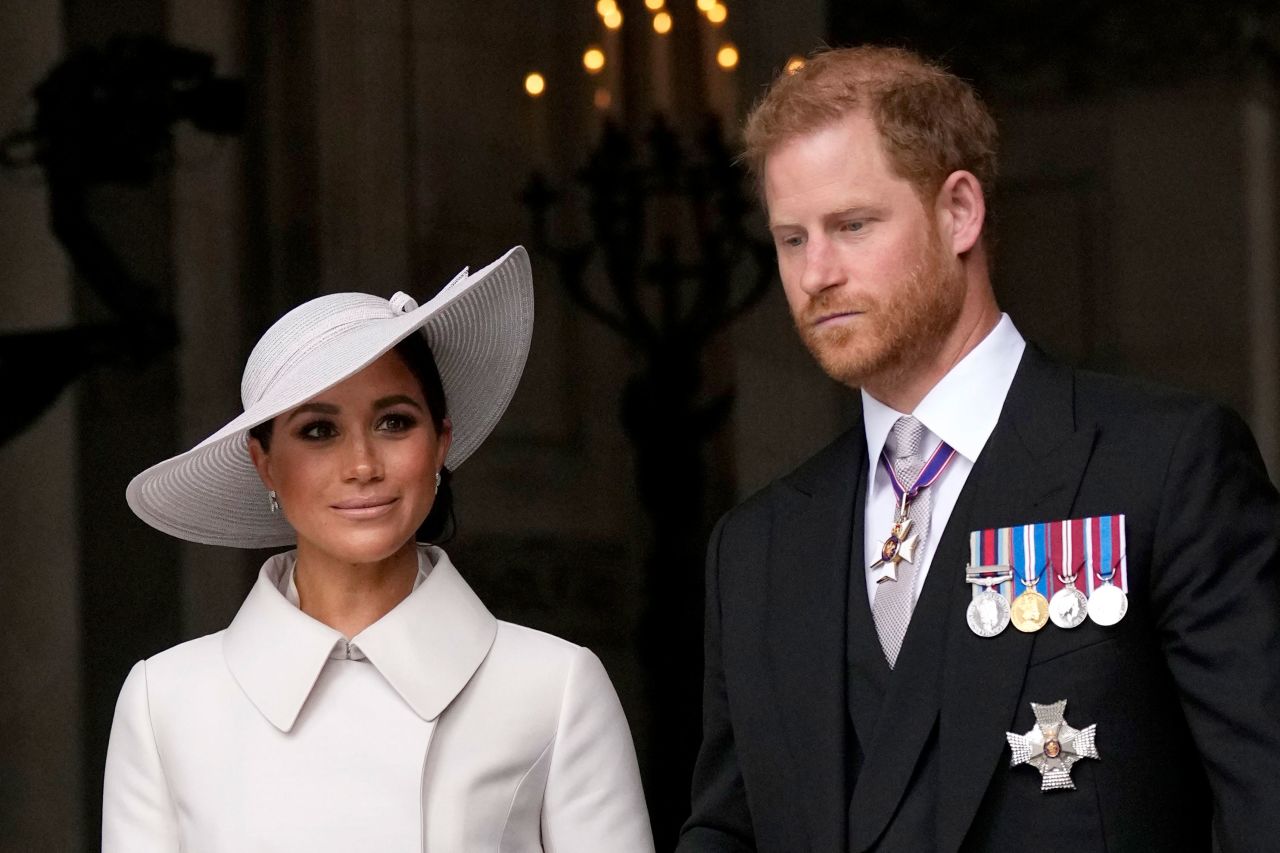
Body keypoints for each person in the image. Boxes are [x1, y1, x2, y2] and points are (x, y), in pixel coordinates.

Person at [677, 46, 1280, 853]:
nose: (816, 272)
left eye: (852, 225)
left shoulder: (1165, 465)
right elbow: (726, 830)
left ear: (959, 211)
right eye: (792, 238)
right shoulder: (754, 550)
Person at [104, 246, 655, 852]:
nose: (363, 465)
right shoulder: (167, 702)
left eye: (394, 422)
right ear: (264, 464)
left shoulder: (554, 686)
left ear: (441, 441)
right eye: (318, 431)